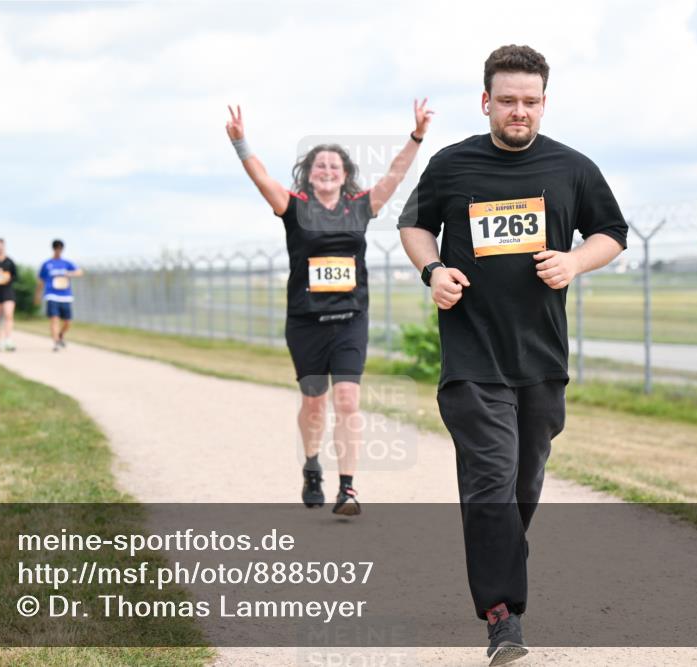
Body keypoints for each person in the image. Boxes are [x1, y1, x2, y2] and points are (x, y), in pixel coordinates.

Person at [398, 45, 627, 664]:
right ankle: (504, 617)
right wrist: (434, 270)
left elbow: (612, 233)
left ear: (544, 103)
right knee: (492, 479)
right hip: (472, 355)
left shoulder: (572, 168)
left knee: (524, 481)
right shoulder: (452, 164)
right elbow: (413, 225)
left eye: (530, 101)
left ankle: (500, 558)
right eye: (507, 101)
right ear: (486, 103)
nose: (518, 111)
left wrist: (575, 260)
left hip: (541, 359)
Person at [226, 99, 434, 516]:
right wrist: (241, 143)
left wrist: (417, 137)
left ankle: (348, 489)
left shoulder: (361, 206)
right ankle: (311, 464)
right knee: (313, 402)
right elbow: (261, 177)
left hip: (350, 319)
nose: (326, 171)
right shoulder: (293, 207)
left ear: (344, 174)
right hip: (305, 322)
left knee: (347, 400)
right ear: (309, 174)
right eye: (319, 166)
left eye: (334, 166)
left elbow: (395, 174)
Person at [36, 239, 83, 352]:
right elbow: (41, 281)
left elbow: (80, 272)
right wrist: (38, 295)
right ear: (53, 249)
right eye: (56, 248)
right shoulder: (47, 264)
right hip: (51, 294)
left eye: (60, 248)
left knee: (68, 322)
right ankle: (56, 342)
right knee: (54, 319)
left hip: (65, 295)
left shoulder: (66, 263)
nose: (58, 250)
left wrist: (69, 273)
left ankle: (60, 335)